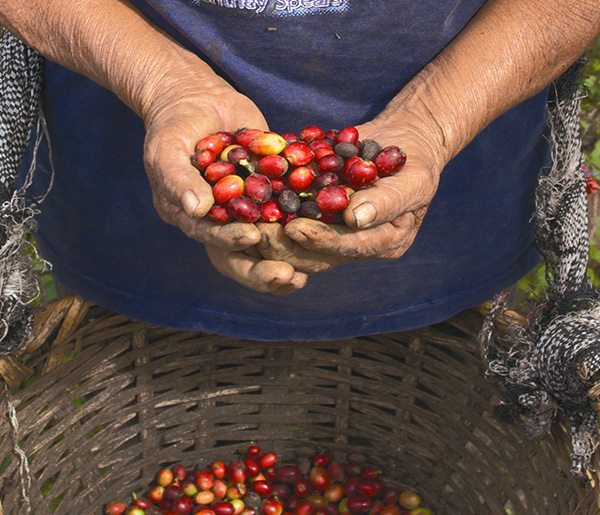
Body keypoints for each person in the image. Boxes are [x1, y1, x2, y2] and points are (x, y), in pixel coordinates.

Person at [1, 0, 599, 341]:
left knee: (456, 367)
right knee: (119, 364)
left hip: (471, 158)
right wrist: (160, 83)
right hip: (119, 156)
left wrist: (436, 118)